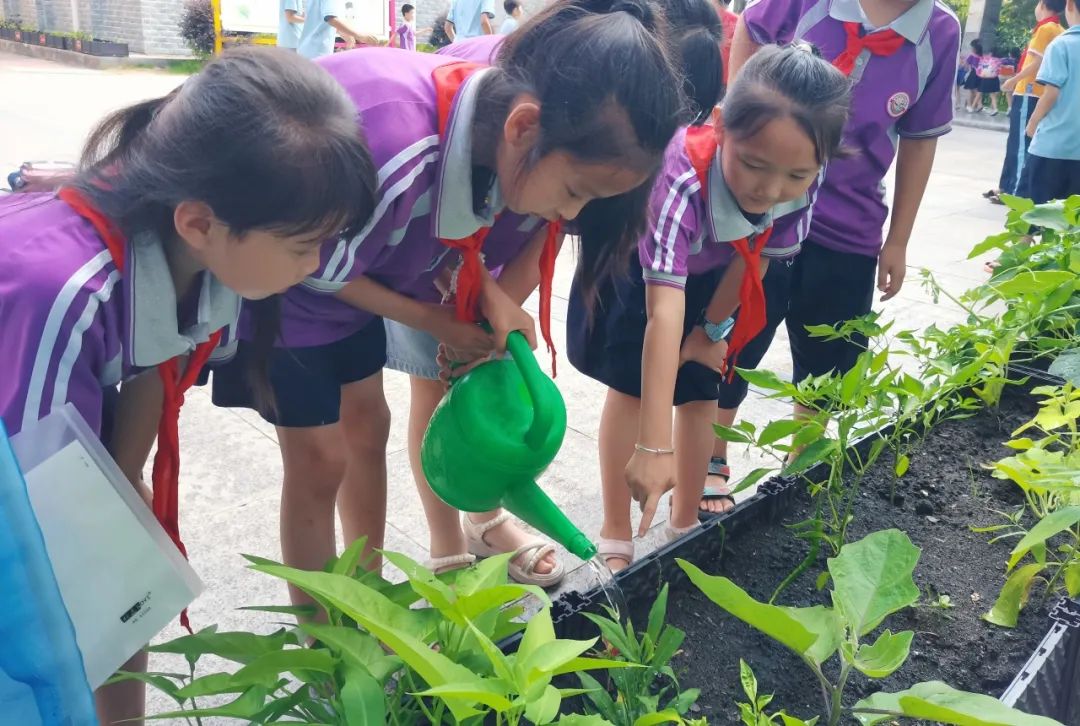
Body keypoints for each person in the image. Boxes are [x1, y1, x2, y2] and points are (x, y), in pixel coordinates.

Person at [210, 0, 683, 598]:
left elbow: (466, 228)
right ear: (522, 129)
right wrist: (436, 320)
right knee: (318, 461)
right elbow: (318, 266)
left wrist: (488, 293)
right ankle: (322, 640)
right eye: (573, 192)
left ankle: (368, 593)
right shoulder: (396, 148)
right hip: (284, 284)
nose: (569, 214)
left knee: (367, 425)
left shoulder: (522, 111)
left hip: (352, 272)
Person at [0, 47, 377, 726]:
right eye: (302, 245)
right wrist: (108, 519)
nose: (318, 266)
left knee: (118, 565)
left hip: (39, 439)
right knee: (46, 624)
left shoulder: (200, 253)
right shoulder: (64, 293)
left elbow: (157, 357)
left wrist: (124, 481)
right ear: (200, 223)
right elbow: (35, 530)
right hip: (18, 463)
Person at [411, 0, 721, 580]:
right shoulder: (537, 106)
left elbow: (550, 225)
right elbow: (432, 252)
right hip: (440, 209)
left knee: (481, 360)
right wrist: (462, 304)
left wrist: (497, 301)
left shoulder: (610, 156)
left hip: (524, 204)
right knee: (436, 381)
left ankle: (484, 518)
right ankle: (446, 540)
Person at [568, 44, 851, 569]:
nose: (771, 188)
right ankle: (615, 530)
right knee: (632, 391)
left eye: (796, 175)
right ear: (720, 125)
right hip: (648, 276)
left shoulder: (802, 180)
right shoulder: (677, 179)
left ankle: (683, 524)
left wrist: (715, 329)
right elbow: (662, 314)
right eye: (753, 164)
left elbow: (756, 255)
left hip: (721, 275)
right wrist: (654, 447)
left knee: (703, 390)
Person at [707, 0, 960, 512]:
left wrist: (899, 239)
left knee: (827, 363)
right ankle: (713, 455)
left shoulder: (939, 31)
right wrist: (737, 142)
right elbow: (751, 30)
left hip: (851, 229)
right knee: (737, 338)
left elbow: (919, 140)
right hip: (764, 213)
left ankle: (798, 469)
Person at [984, 0, 1066, 203]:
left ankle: (1015, 192)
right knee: (1018, 142)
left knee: (1020, 144)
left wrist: (1013, 80)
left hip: (1029, 91)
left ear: (1043, 4)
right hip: (1037, 92)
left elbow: (1037, 62)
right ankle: (1007, 185)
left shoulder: (1046, 29)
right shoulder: (1059, 29)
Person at [1023, 0, 1080, 205]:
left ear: (1070, 5)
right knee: (1071, 226)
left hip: (1054, 146)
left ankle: (1027, 238)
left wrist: (1032, 123)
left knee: (1033, 216)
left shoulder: (1061, 44)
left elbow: (1051, 93)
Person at [297, 0, 379, 58]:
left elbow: (319, 20)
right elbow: (331, 19)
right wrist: (360, 36)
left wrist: (343, 33)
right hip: (317, 51)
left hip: (306, 50)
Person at [975, 45, 1002, 115]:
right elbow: (1000, 70)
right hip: (995, 78)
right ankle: (995, 109)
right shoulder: (998, 60)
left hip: (986, 78)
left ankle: (974, 106)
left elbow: (979, 69)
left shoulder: (984, 60)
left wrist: (979, 74)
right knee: (992, 94)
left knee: (981, 92)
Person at [962, 39, 983, 111]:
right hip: (980, 74)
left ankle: (969, 105)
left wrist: (964, 67)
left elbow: (965, 65)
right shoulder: (982, 57)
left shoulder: (971, 56)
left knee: (971, 90)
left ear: (974, 49)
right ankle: (977, 105)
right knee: (976, 90)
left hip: (973, 73)